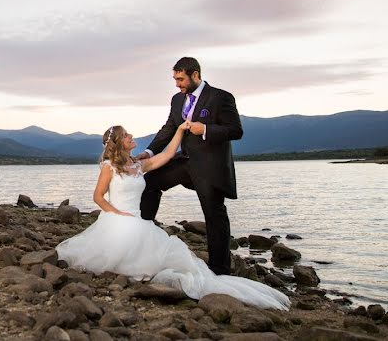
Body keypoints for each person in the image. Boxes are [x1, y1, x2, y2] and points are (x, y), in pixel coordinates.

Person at [55, 125, 289, 310]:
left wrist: (179, 131)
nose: (131, 136)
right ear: (118, 143)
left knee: (169, 256)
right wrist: (116, 214)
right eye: (126, 135)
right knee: (132, 260)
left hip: (138, 221)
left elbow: (166, 155)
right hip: (118, 219)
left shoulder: (138, 165)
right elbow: (98, 196)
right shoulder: (109, 167)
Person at [137, 57, 241, 276]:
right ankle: (145, 239)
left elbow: (235, 130)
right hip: (183, 163)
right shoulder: (177, 100)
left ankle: (220, 270)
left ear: (196, 75)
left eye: (181, 79)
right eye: (175, 79)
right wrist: (148, 152)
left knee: (214, 215)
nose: (177, 84)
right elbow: (169, 128)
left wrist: (205, 129)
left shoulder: (221, 97)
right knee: (149, 182)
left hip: (210, 168)